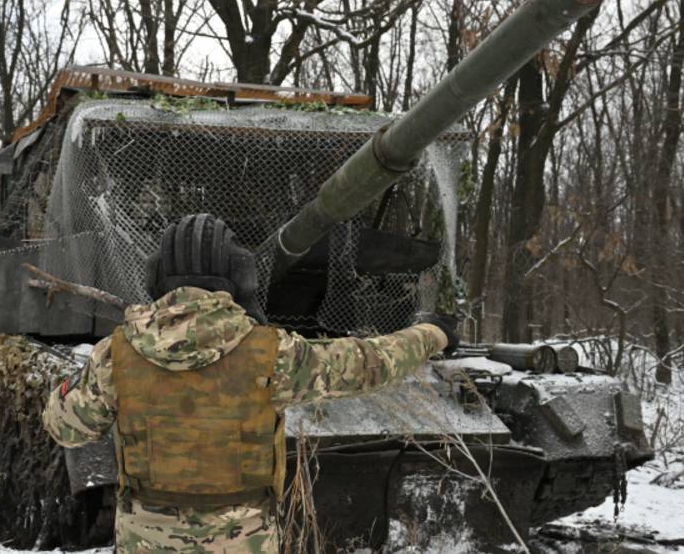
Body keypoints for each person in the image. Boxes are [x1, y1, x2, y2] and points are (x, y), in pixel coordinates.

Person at [43, 214, 458, 553]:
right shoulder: (272, 353)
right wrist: (432, 334)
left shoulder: (116, 355)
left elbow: (66, 428)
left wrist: (70, 389)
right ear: (239, 277)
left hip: (145, 540)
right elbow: (370, 363)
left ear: (156, 279)